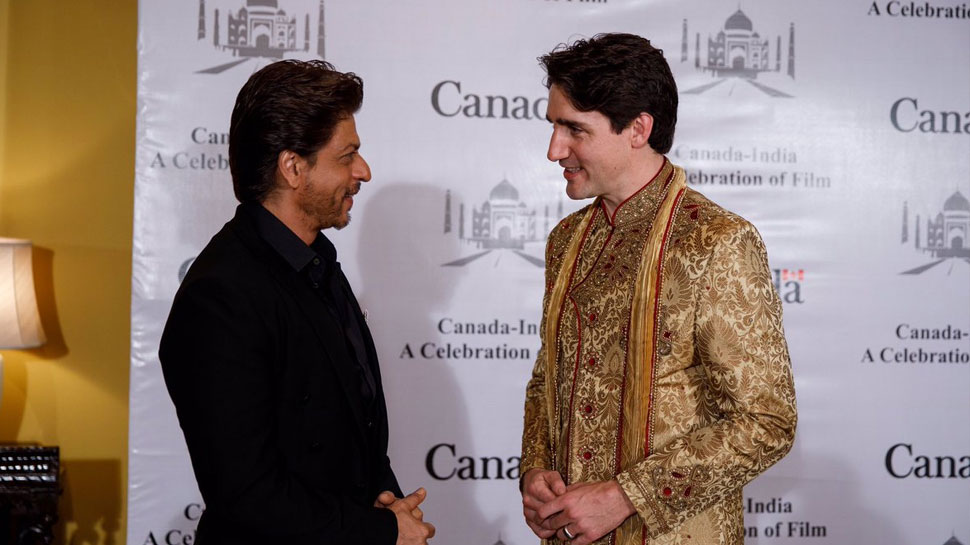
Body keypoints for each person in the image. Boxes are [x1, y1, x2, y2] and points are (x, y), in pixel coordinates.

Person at [519, 34, 797, 545]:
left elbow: (766, 420)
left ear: (638, 129)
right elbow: (546, 380)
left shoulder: (715, 240)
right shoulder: (567, 240)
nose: (554, 150)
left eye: (573, 129)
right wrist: (535, 471)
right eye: (554, 126)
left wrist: (624, 497)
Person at [159, 60, 435, 545]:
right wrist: (380, 530)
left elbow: (351, 425)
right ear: (293, 167)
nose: (363, 171)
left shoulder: (317, 265)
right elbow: (246, 494)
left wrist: (384, 500)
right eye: (347, 155)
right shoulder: (219, 296)